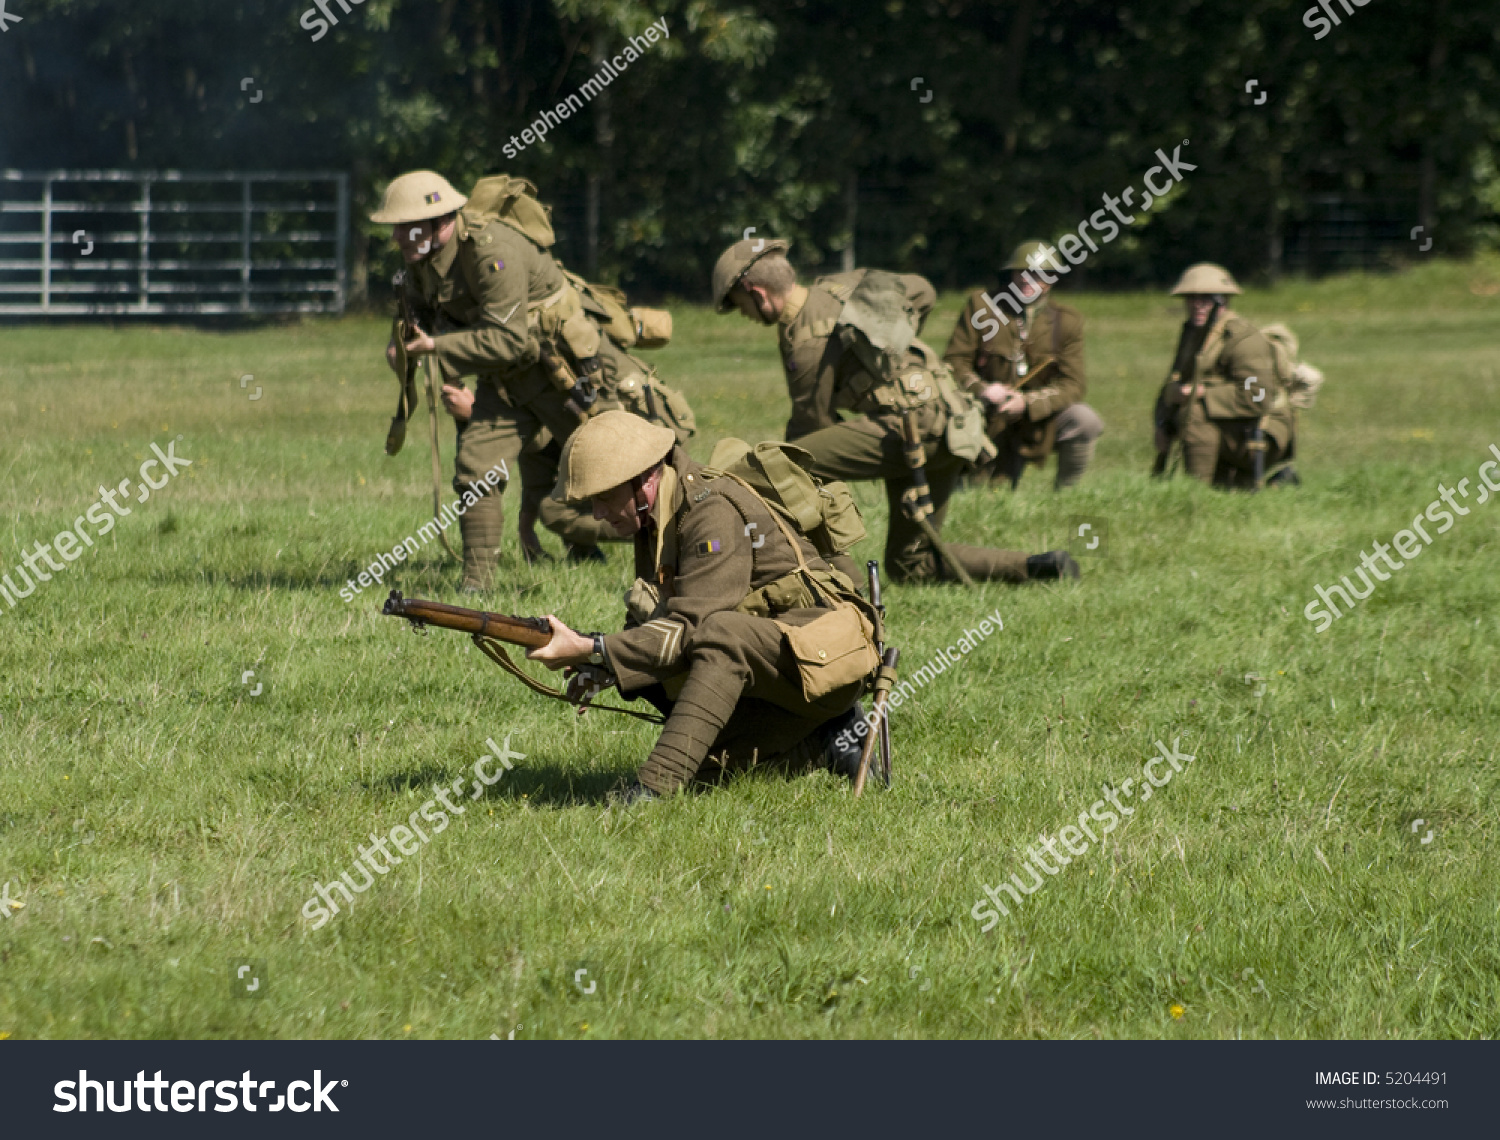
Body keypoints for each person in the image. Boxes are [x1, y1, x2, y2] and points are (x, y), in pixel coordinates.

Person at [527, 412, 876, 802]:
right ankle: (829, 740)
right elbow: (655, 616)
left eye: (605, 498)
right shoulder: (657, 515)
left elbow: (692, 629)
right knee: (705, 774)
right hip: (779, 666)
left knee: (720, 634)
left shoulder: (712, 512)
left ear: (646, 480)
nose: (597, 514)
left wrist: (595, 648)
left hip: (825, 664)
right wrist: (605, 666)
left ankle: (653, 790)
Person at [710, 237, 1079, 584]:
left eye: (740, 307)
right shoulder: (844, 285)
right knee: (909, 564)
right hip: (952, 422)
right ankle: (1037, 566)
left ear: (756, 293)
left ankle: (845, 588)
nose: (746, 316)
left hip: (913, 428)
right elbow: (923, 290)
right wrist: (893, 340)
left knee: (781, 464)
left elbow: (808, 433)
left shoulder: (805, 339)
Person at [942, 241, 1104, 488]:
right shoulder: (982, 306)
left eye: (1040, 274)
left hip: (1038, 419)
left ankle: (1067, 494)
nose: (1029, 280)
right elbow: (954, 362)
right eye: (1023, 272)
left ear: (1052, 279)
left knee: (1084, 419)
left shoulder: (1067, 322)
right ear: (1011, 275)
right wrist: (983, 390)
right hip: (983, 411)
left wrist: (1028, 404)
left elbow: (1073, 384)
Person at [1153, 263, 1295, 488]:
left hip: (1260, 429)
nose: (1197, 305)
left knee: (1195, 411)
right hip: (1227, 424)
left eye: (1207, 298)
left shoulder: (1244, 340)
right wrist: (1161, 423)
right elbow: (1175, 380)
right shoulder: (1193, 335)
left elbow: (1256, 396)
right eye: (1191, 298)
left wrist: (1199, 392)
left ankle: (1197, 494)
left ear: (1225, 300)